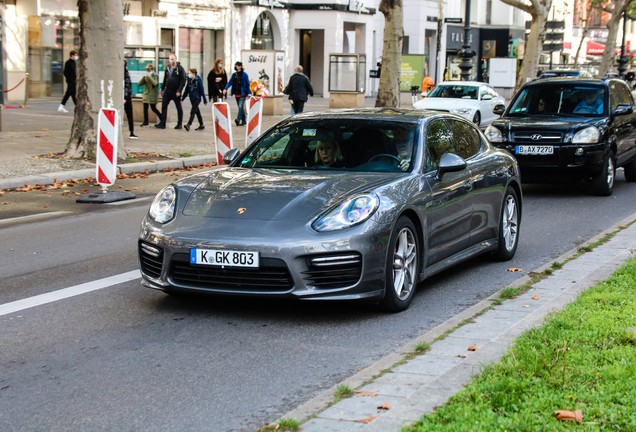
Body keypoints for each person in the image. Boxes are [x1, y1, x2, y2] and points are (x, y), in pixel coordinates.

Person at [156, 53, 186, 129]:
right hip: (168, 90)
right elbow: (165, 78)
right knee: (164, 106)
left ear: (176, 59)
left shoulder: (180, 69)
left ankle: (179, 124)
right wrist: (162, 89)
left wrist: (179, 90)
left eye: (173, 59)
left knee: (178, 107)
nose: (171, 60)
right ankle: (163, 123)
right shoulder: (168, 68)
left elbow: (183, 80)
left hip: (176, 91)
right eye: (170, 59)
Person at [223, 61, 252, 126]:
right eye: (236, 66)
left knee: (240, 106)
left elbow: (247, 84)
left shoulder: (244, 75)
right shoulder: (234, 75)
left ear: (240, 66)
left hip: (242, 93)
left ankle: (238, 119)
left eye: (237, 66)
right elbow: (230, 82)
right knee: (240, 108)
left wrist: (249, 92)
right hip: (236, 93)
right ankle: (244, 120)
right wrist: (225, 89)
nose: (236, 67)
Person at [123, 60, 137, 139]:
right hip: (126, 98)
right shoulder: (125, 73)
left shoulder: (124, 73)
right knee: (129, 115)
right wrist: (125, 98)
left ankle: (132, 132)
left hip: (125, 97)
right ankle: (132, 132)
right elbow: (127, 86)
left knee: (129, 115)